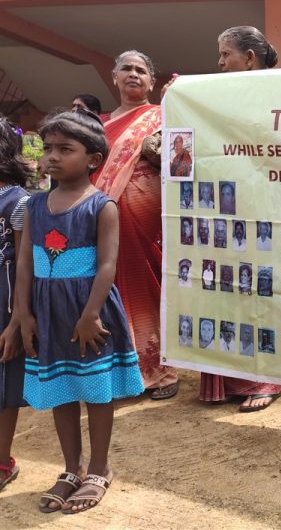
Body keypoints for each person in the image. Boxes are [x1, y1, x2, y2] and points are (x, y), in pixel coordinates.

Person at [18, 111, 144, 513]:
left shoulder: (102, 207)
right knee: (62, 388)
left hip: (89, 311)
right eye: (48, 148)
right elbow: (25, 262)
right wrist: (22, 313)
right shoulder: (34, 205)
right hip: (48, 311)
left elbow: (107, 265)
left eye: (65, 149)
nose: (52, 156)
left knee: (96, 389)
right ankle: (71, 469)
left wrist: (90, 315)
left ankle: (99, 468)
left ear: (93, 159)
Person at [197, 27, 281, 413]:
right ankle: (228, 380)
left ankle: (264, 379)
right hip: (225, 207)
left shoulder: (279, 95)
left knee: (257, 289)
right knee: (223, 290)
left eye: (225, 54)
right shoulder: (219, 98)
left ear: (249, 58)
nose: (219, 62)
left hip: (263, 209)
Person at [92, 50, 178, 401]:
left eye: (141, 70)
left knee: (148, 285)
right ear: (114, 78)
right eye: (126, 69)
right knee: (107, 289)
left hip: (147, 216)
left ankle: (161, 371)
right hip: (100, 216)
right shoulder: (97, 125)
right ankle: (121, 374)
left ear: (151, 82)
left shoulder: (162, 116)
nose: (133, 74)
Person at [0, 117, 33, 493]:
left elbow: (25, 263)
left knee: (4, 382)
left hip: (5, 303)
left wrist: (17, 320)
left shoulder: (19, 202)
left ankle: (2, 459)